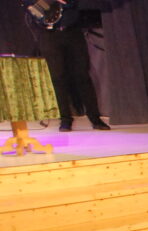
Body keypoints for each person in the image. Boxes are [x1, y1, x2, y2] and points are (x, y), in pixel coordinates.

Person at [23, 0, 109, 132]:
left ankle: (95, 118)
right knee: (58, 78)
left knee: (82, 76)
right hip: (48, 35)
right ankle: (65, 119)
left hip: (72, 32)